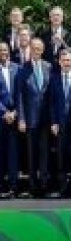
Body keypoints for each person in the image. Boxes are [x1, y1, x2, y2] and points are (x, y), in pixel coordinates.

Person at [17, 37, 52, 197]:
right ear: (29, 49)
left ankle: (44, 185)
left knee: (44, 152)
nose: (36, 51)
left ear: (42, 50)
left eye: (39, 49)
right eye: (34, 48)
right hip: (30, 119)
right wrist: (22, 118)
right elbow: (20, 96)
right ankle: (32, 185)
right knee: (32, 154)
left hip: (45, 120)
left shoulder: (49, 67)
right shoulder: (22, 69)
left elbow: (52, 95)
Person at [50, 48, 71, 197]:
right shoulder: (54, 78)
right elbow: (51, 103)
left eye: (69, 60)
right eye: (63, 60)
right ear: (59, 62)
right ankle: (63, 187)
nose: (66, 63)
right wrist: (54, 122)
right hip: (60, 125)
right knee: (61, 157)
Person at [0, 42, 20, 197]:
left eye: (5, 50)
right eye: (0, 50)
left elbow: (21, 93)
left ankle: (14, 186)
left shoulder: (17, 68)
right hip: (1, 117)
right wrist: (5, 112)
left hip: (15, 118)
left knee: (13, 153)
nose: (3, 52)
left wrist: (15, 113)